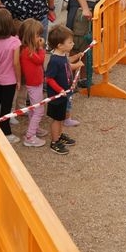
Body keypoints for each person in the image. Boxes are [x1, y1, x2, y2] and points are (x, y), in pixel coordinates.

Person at [45, 25, 83, 155]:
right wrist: (59, 90)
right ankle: (54, 142)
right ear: (60, 45)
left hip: (63, 94)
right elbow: (49, 79)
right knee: (56, 119)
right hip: (57, 96)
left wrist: (78, 57)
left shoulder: (63, 56)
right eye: (70, 42)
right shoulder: (55, 60)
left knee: (61, 118)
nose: (73, 44)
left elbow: (67, 67)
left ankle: (59, 135)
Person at [0, 9, 22, 143]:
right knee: (6, 107)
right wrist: (19, 80)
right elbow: (16, 63)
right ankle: (6, 133)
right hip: (10, 80)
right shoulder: (15, 42)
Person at [18, 18, 49, 148]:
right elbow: (40, 60)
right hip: (34, 84)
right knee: (39, 110)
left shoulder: (29, 49)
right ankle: (30, 136)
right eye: (38, 35)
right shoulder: (27, 51)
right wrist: (41, 48)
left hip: (36, 82)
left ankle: (34, 128)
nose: (40, 38)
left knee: (34, 108)